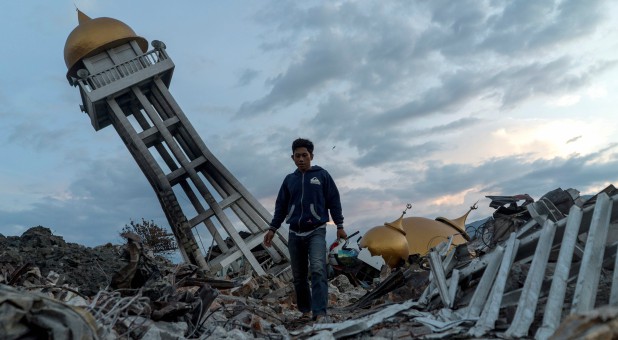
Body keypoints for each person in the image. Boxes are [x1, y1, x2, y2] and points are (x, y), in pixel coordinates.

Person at [263, 138, 347, 322]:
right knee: (299, 276)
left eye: (304, 155)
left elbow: (334, 200)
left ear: (311, 156)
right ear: (292, 157)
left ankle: (320, 312)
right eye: (297, 156)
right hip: (294, 232)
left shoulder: (322, 175)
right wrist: (272, 228)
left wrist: (339, 225)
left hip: (316, 230)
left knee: (318, 268)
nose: (301, 159)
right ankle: (305, 311)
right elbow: (281, 207)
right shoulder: (289, 180)